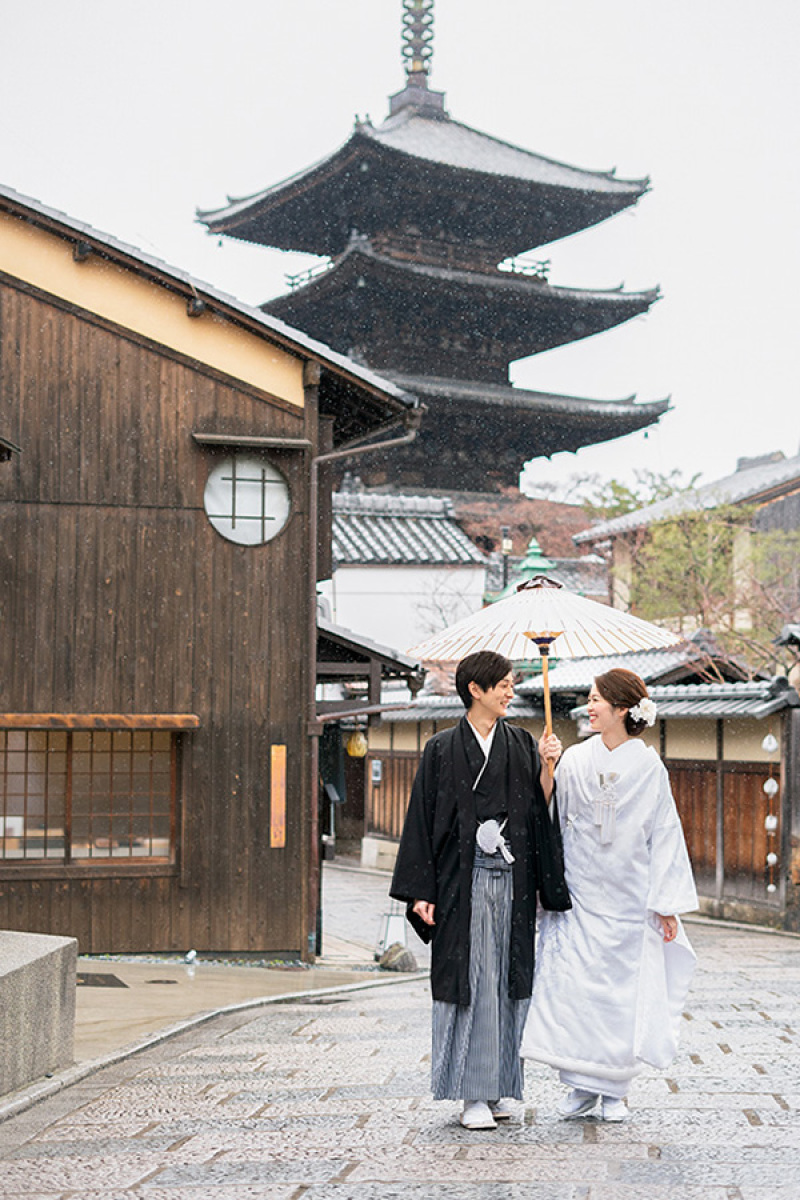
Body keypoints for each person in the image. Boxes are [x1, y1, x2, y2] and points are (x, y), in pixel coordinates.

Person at [390, 650, 570, 1130]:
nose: (511, 692)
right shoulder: (442, 749)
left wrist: (548, 768)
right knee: (473, 982)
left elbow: (536, 811)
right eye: (504, 685)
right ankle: (471, 1093)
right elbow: (422, 823)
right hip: (460, 882)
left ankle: (500, 1088)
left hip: (511, 880)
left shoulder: (523, 743)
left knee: (507, 982)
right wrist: (419, 891)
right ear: (476, 689)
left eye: (512, 684)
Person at [520, 667, 698, 1123]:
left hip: (629, 894)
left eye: (597, 698)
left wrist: (667, 902)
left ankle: (615, 1089)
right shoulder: (576, 758)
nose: (589, 706)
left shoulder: (649, 765)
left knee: (622, 994)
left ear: (622, 708)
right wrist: (548, 766)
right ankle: (580, 1086)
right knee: (578, 992)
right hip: (582, 891)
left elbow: (664, 833)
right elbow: (547, 813)